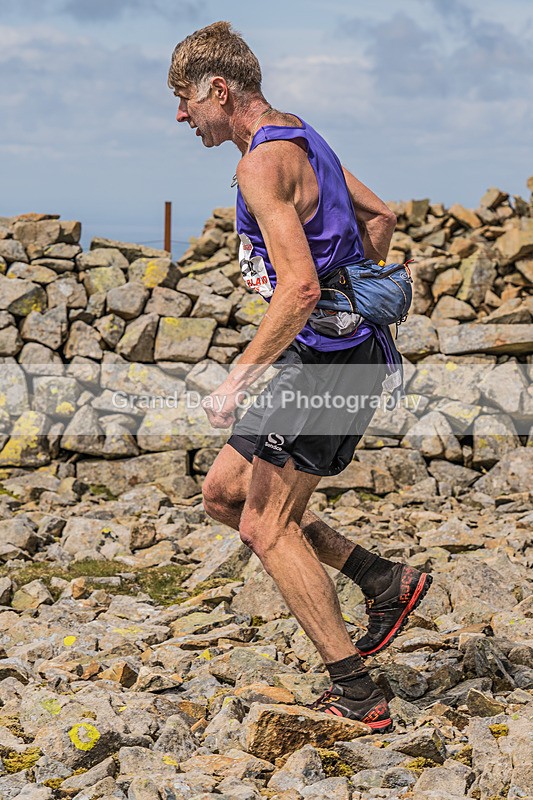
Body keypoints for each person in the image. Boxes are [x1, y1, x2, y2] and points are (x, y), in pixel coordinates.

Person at [168, 21, 432, 731]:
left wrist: (240, 377)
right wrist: (354, 303)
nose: (180, 115)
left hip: (323, 366)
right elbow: (381, 217)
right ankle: (382, 579)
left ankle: (355, 690)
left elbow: (299, 291)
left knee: (262, 522)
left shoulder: (261, 165)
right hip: (331, 355)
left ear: (217, 90)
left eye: (183, 99)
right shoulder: (300, 136)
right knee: (224, 493)